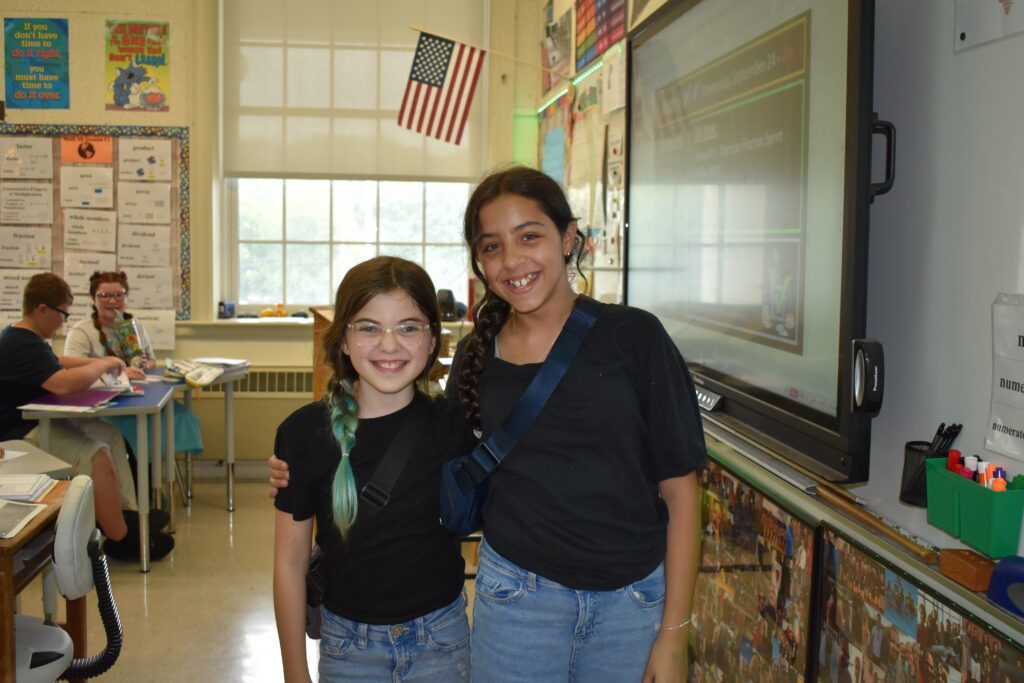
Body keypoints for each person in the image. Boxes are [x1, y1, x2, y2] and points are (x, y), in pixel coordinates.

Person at [270, 167, 706, 681]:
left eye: (530, 236)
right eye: (492, 246)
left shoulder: (635, 338)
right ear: (479, 260)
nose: (513, 261)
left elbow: (682, 492)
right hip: (517, 598)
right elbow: (423, 447)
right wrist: (296, 466)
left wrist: (674, 633)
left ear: (568, 238)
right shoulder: (479, 358)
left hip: (630, 602)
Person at [273, 257, 473, 682]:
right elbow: (290, 562)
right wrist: (294, 670)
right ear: (343, 340)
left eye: (408, 327)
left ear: (432, 339)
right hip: (348, 645)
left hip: (441, 639)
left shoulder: (453, 425)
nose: (389, 345)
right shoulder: (303, 434)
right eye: (368, 327)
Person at [0, 273, 173, 560]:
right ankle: (120, 539)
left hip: (35, 423)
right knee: (98, 454)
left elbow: (57, 361)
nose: (63, 322)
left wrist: (101, 363)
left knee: (110, 434)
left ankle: (127, 515)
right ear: (42, 309)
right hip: (17, 436)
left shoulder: (28, 337)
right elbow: (62, 383)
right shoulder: (22, 343)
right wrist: (104, 363)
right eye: (61, 314)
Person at [64, 270, 203, 460]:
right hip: (104, 408)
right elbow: (73, 371)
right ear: (93, 299)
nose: (112, 301)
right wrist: (119, 372)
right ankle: (138, 481)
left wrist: (142, 363)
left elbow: (152, 361)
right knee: (138, 427)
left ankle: (150, 483)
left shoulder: (134, 326)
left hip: (139, 399)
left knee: (181, 416)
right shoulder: (81, 331)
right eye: (104, 295)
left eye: (118, 295)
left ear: (127, 298)